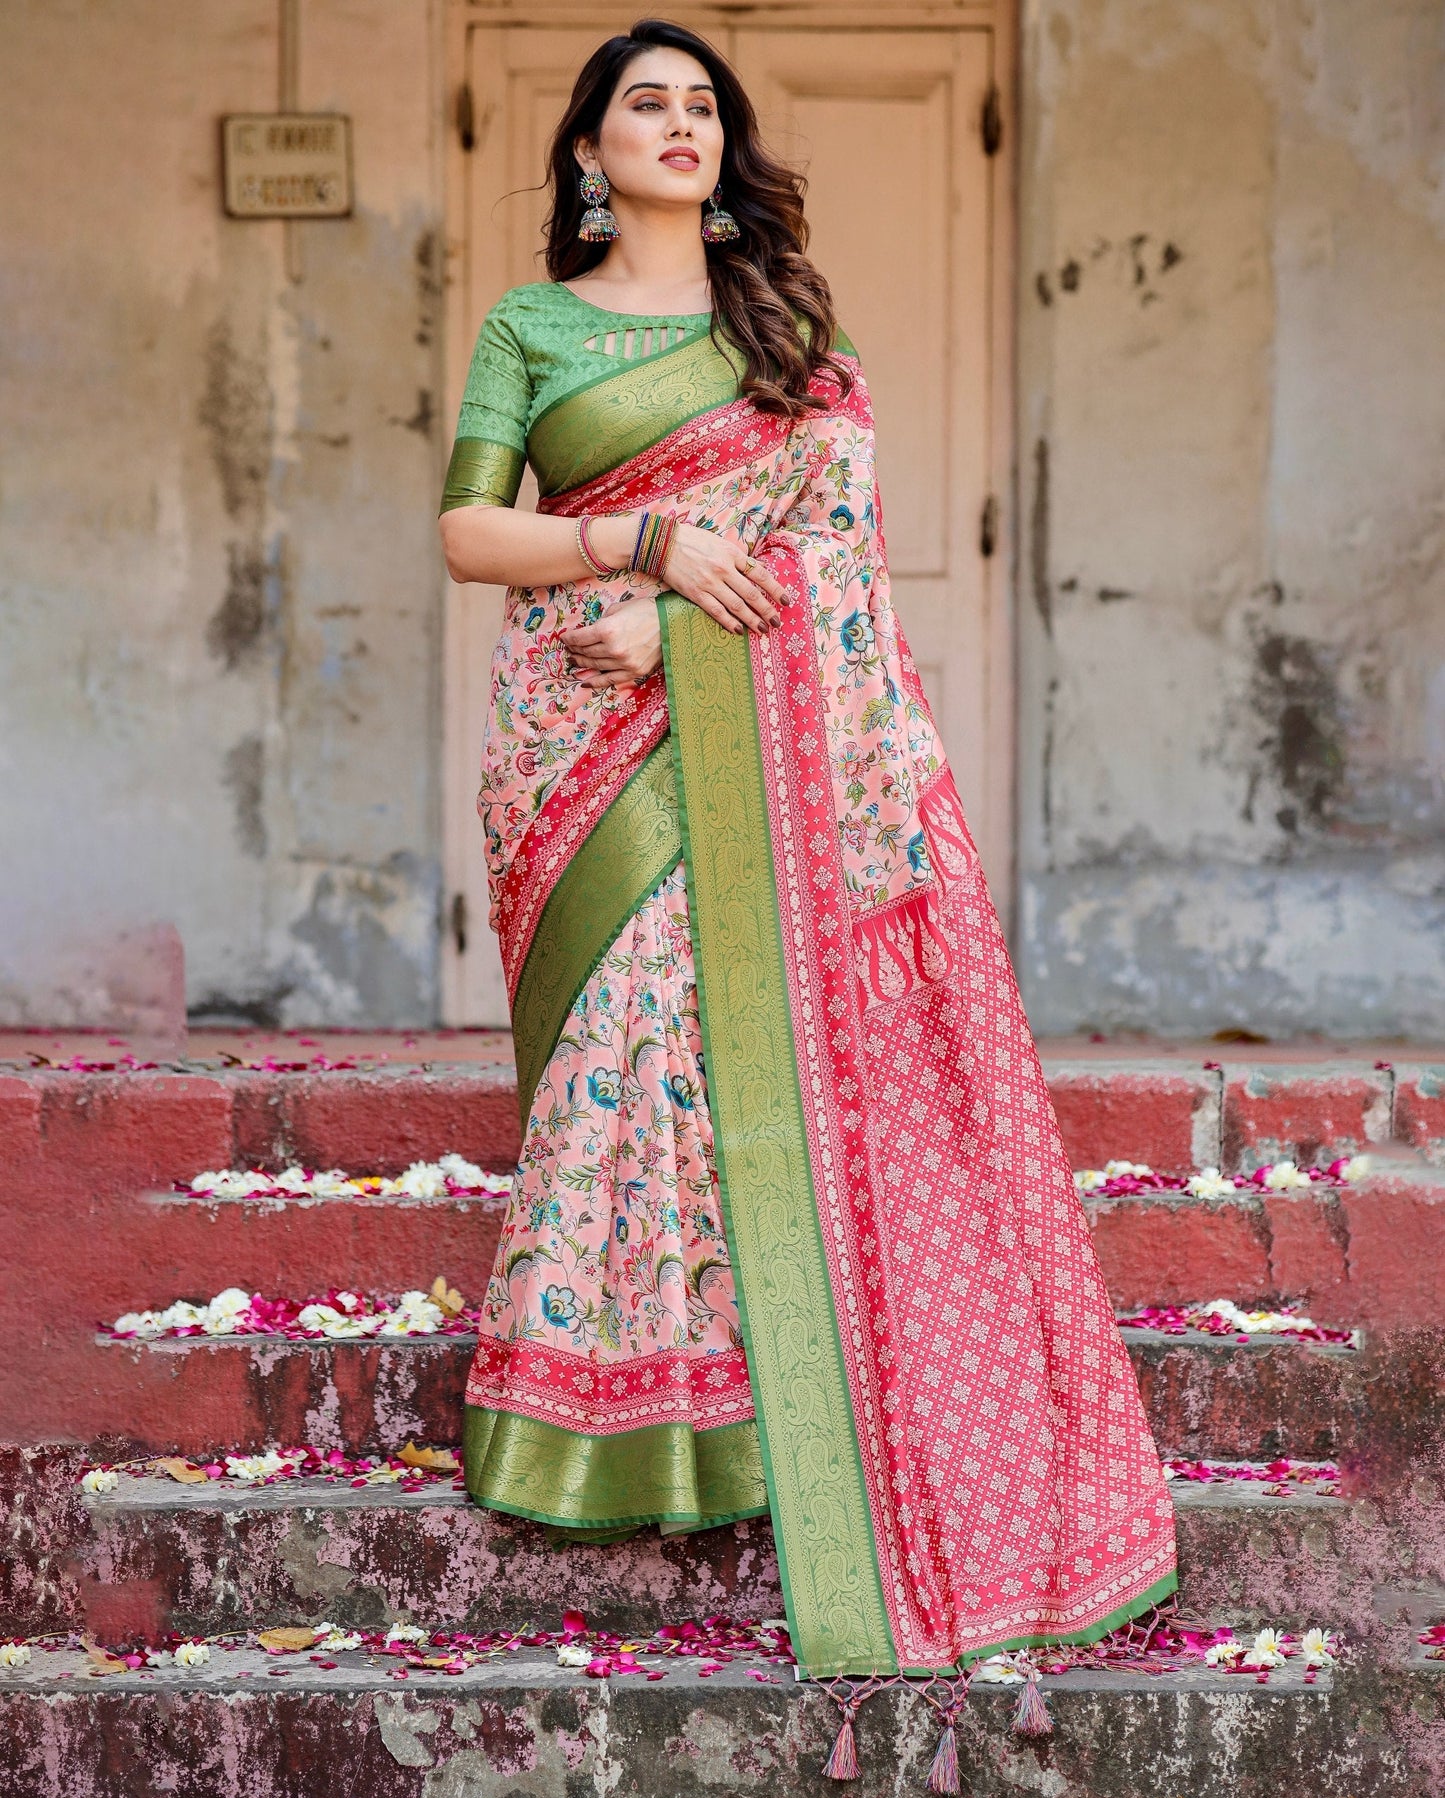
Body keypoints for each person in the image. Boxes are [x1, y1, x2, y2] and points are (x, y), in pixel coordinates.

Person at [438, 17, 1176, 1681]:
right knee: (625, 1055)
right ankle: (616, 1421)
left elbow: (835, 549)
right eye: (644, 103)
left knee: (732, 1053)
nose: (678, 125)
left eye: (702, 105)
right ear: (587, 148)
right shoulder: (531, 326)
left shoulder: (786, 324)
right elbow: (471, 531)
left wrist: (688, 625)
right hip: (583, 740)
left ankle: (770, 1408)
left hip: (739, 721)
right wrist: (645, 546)